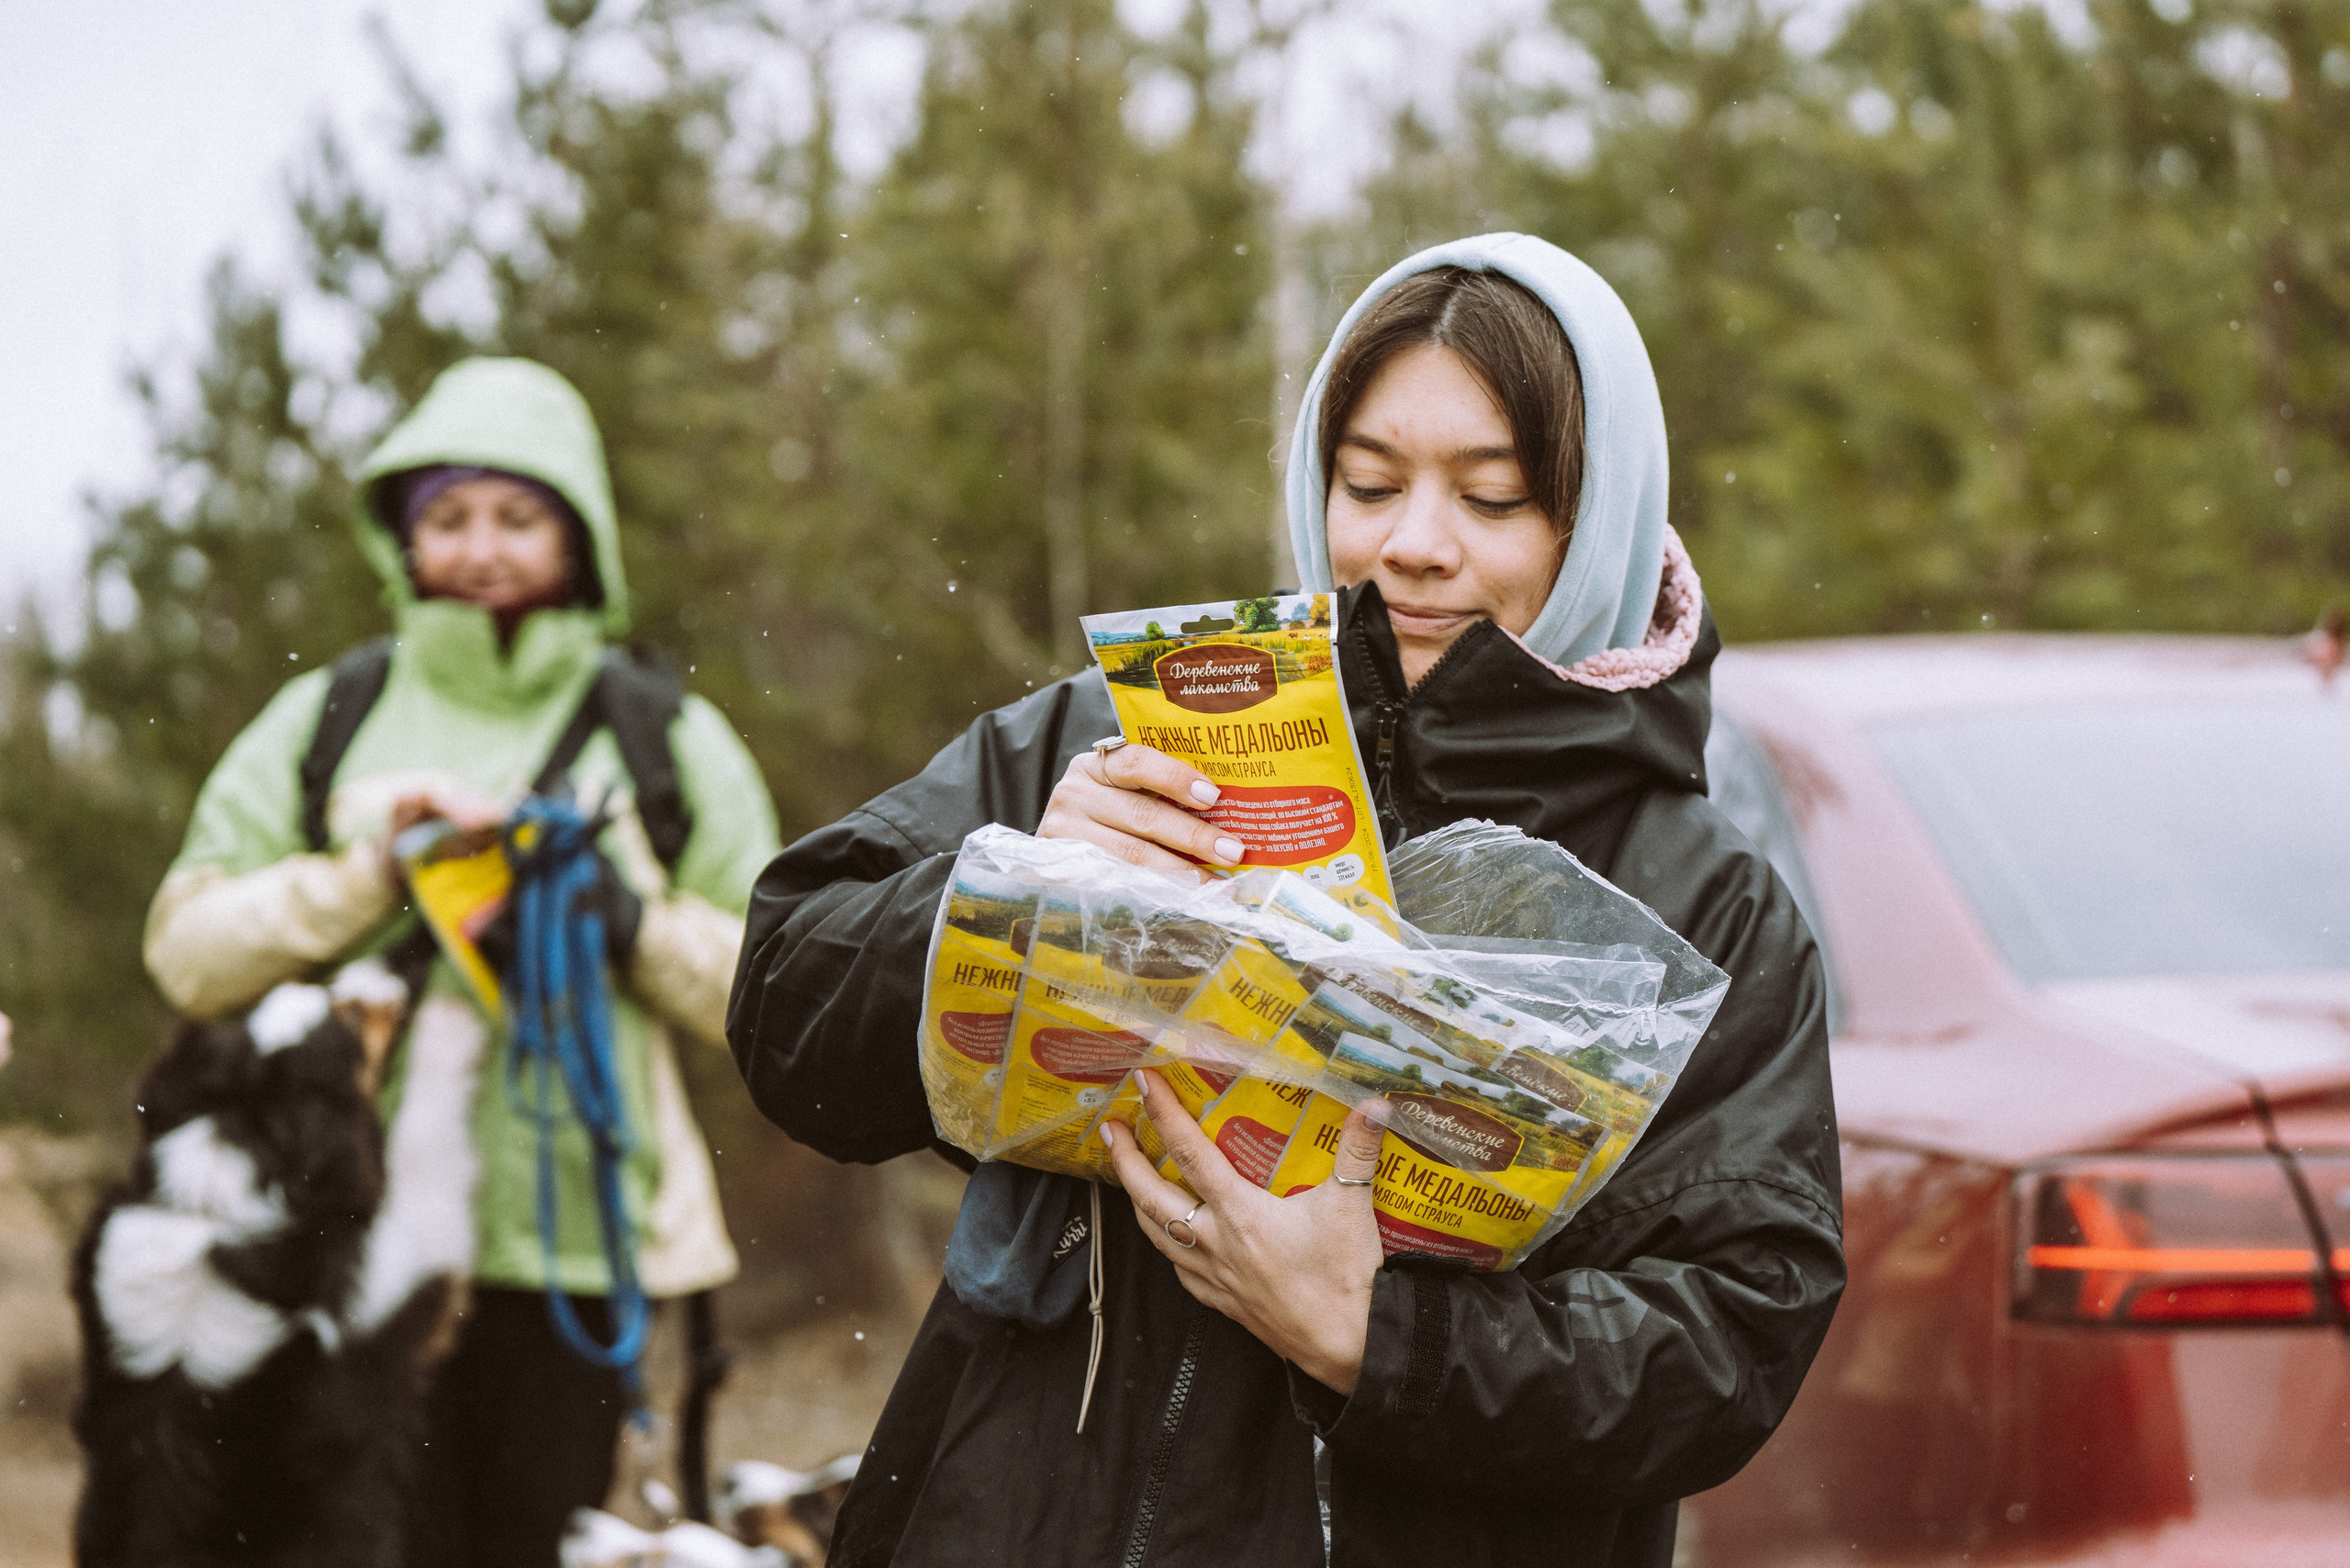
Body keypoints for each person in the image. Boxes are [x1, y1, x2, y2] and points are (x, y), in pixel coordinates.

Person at [728, 234, 1842, 1568]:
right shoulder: (1122, 737)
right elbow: (786, 1014)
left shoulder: (1705, 910)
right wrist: (1015, 879)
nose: (1411, 547)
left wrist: (1382, 1339)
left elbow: (1728, 1340)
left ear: (1595, 515)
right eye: (1368, 484)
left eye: (1492, 499)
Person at [145, 357, 781, 1567]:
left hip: (580, 1258)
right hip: (338, 1242)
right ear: (402, 537)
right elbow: (188, 954)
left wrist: (631, 921)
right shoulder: (331, 716)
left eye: (517, 516)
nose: (481, 547)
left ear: (578, 536)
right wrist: (367, 879)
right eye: (447, 517)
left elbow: (779, 992)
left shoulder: (667, 739)